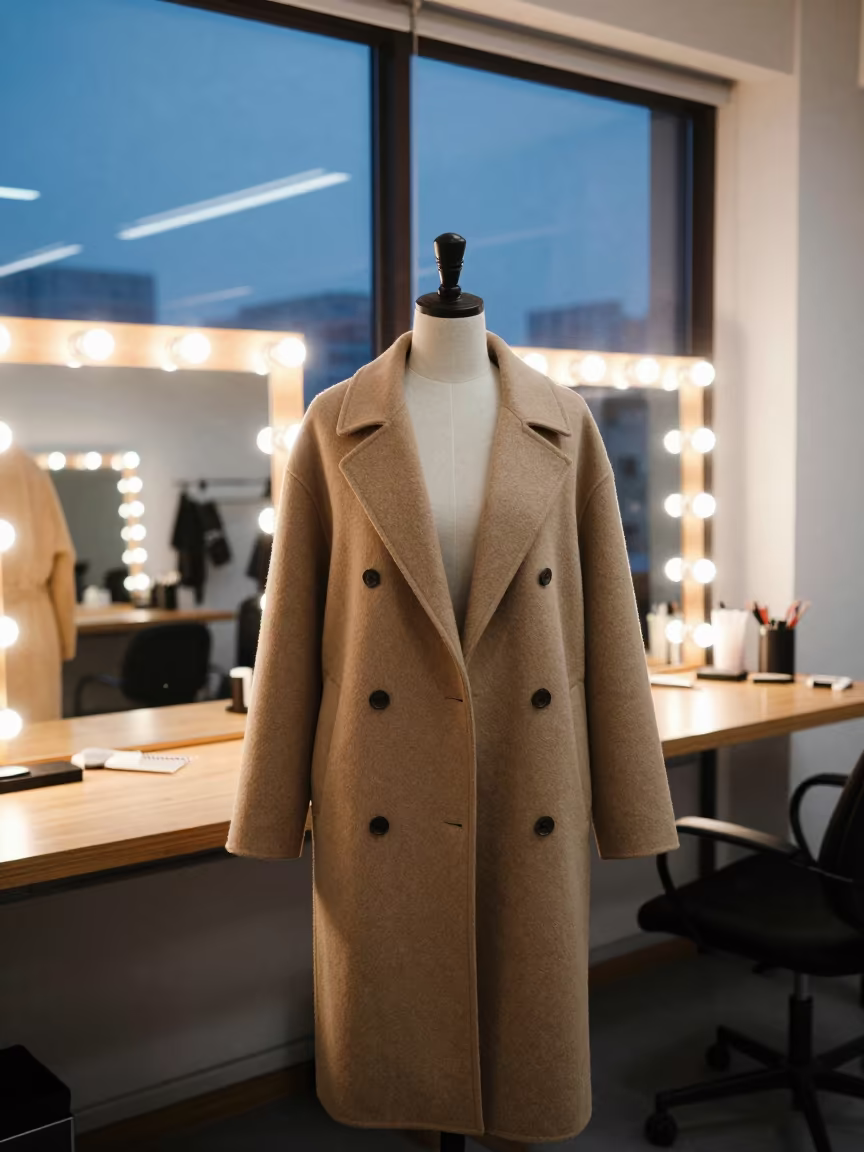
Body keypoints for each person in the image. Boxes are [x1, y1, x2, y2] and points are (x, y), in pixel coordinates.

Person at [0, 444, 76, 722]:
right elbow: (63, 561)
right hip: (34, 626)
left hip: (27, 618)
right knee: (38, 736)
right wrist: (65, 640)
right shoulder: (28, 469)